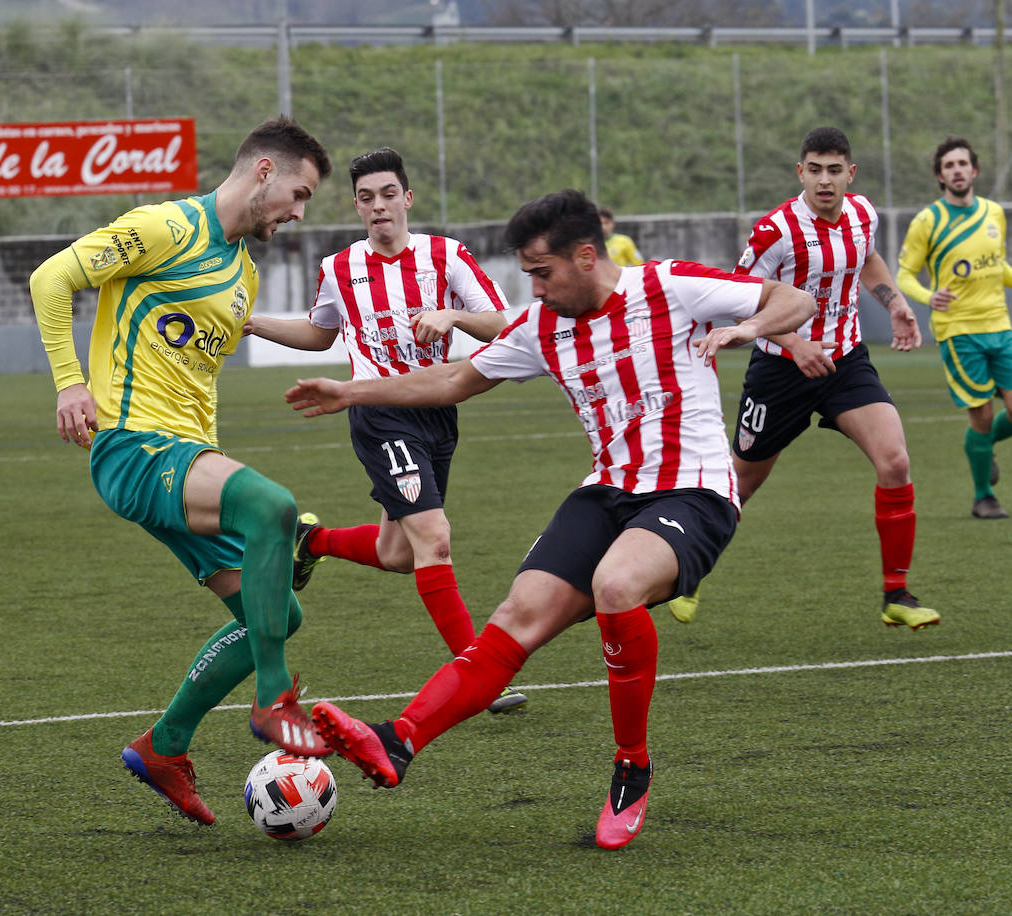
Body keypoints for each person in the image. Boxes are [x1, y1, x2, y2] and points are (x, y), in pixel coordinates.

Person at [286, 188, 817, 850]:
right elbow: (454, 381)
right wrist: (350, 390)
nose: (533, 289)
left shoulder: (671, 287)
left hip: (695, 491)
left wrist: (750, 328)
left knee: (618, 584)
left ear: (585, 256)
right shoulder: (542, 326)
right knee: (516, 616)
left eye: (541, 273)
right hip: (607, 491)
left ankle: (632, 767)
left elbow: (794, 301)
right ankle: (399, 741)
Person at [29, 116, 333, 827]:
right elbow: (52, 278)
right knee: (273, 506)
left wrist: (215, 478)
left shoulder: (243, 275)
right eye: (299, 191)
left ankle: (163, 747)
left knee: (278, 613)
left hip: (185, 454)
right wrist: (70, 382)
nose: (298, 211)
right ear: (263, 171)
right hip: (134, 449)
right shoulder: (166, 228)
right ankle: (274, 702)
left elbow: (196, 385)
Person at [244, 147, 527, 714]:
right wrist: (248, 321)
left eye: (388, 195)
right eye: (367, 198)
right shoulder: (340, 268)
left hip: (438, 407)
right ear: (357, 206)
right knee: (434, 538)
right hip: (378, 415)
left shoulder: (446, 256)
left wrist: (452, 316)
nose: (379, 207)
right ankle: (476, 674)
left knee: (398, 552)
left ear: (408, 199)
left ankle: (311, 540)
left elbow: (504, 322)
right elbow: (319, 333)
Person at [667, 126, 939, 631]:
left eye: (835, 170)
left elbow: (869, 260)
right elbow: (742, 296)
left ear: (849, 174)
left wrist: (896, 303)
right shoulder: (775, 229)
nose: (825, 180)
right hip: (780, 370)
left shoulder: (863, 214)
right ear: (801, 172)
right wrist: (794, 342)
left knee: (895, 460)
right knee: (738, 485)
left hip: (845, 362)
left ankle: (896, 593)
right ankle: (691, 568)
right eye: (814, 169)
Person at [896, 137, 1012, 520]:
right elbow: (905, 274)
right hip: (959, 332)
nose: (957, 170)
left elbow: (997, 267)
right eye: (949, 165)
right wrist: (928, 297)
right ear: (940, 176)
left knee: (996, 420)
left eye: (963, 163)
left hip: (1001, 326)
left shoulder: (994, 213)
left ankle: (984, 446)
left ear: (975, 171)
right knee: (980, 415)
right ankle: (984, 496)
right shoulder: (928, 221)